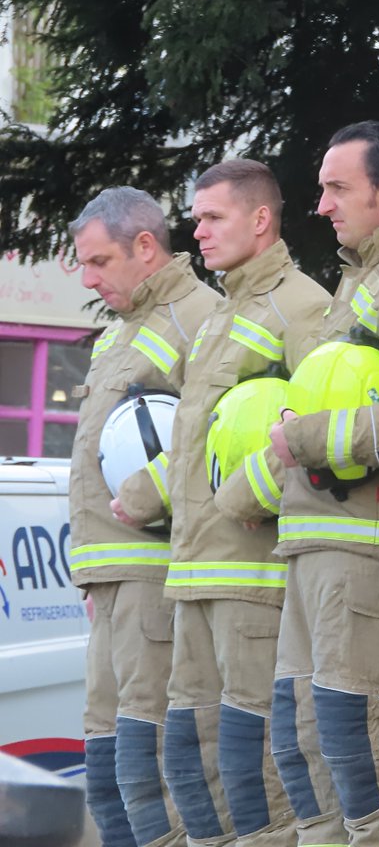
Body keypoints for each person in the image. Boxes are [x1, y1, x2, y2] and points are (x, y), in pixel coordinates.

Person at [114, 160, 329, 847]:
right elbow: (198, 437)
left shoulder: (304, 306)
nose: (196, 232)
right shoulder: (219, 318)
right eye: (196, 218)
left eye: (212, 218)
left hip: (255, 578)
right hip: (196, 571)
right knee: (189, 762)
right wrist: (142, 494)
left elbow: (316, 426)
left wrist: (243, 499)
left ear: (260, 219)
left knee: (252, 769)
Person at [257, 121, 379, 845]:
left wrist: (302, 437)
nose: (321, 205)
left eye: (338, 187)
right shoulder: (364, 275)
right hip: (317, 543)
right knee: (305, 750)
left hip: (367, 550)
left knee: (361, 752)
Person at [68, 187, 218, 847]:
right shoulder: (121, 333)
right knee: (104, 776)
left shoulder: (203, 318)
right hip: (111, 580)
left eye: (99, 261)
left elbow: (218, 438)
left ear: (146, 247)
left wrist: (152, 492)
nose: (89, 278)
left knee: (148, 772)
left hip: (158, 579)